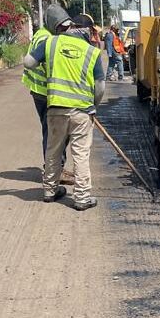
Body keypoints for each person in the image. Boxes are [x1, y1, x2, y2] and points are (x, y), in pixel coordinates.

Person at [23, 19, 106, 210]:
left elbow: (28, 62)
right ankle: (82, 198)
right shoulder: (92, 52)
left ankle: (49, 191)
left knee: (53, 150)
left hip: (56, 108)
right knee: (81, 154)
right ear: (87, 31)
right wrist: (94, 105)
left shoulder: (51, 43)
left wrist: (47, 68)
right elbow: (100, 86)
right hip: (82, 112)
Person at [23, 4, 76, 183]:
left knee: (56, 132)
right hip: (45, 94)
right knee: (54, 134)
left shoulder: (46, 36)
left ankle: (56, 168)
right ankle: (52, 172)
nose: (65, 31)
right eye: (62, 27)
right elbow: (35, 63)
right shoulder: (46, 39)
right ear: (54, 25)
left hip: (44, 92)